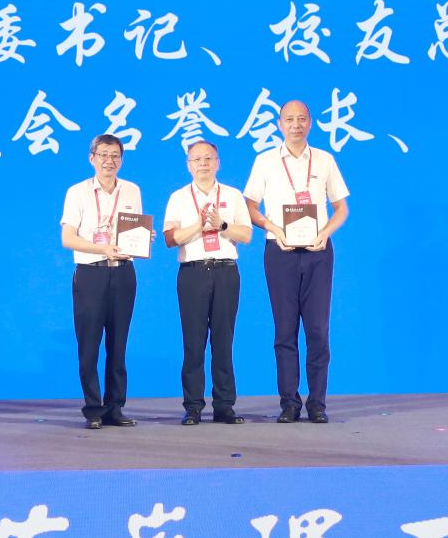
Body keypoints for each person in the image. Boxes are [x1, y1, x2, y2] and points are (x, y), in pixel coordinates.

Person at [243, 101, 349, 424]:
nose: (296, 125)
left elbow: (341, 208)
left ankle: (317, 403)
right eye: (289, 119)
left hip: (318, 252)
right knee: (285, 330)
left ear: (310, 123)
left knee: (318, 330)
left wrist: (325, 233)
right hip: (280, 252)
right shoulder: (265, 161)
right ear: (279, 124)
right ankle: (289, 402)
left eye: (302, 119)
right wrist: (274, 229)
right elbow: (249, 206)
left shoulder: (324, 160)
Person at [163, 141, 252, 425]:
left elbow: (246, 235)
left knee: (224, 341)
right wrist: (200, 226)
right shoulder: (178, 197)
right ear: (188, 165)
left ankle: (224, 406)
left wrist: (221, 225)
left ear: (218, 163)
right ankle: (193, 406)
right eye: (197, 159)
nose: (203, 163)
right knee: (193, 342)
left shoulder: (233, 195)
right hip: (193, 272)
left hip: (225, 271)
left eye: (208, 158)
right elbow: (170, 239)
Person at [60, 134, 143, 430]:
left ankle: (115, 408)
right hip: (90, 273)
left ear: (122, 159)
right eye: (104, 155)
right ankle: (93, 408)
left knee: (118, 345)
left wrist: (142, 239)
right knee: (89, 344)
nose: (110, 161)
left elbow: (131, 232)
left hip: (123, 272)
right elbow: (68, 238)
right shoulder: (77, 192)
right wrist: (102, 248)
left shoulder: (132, 190)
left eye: (115, 156)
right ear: (92, 158)